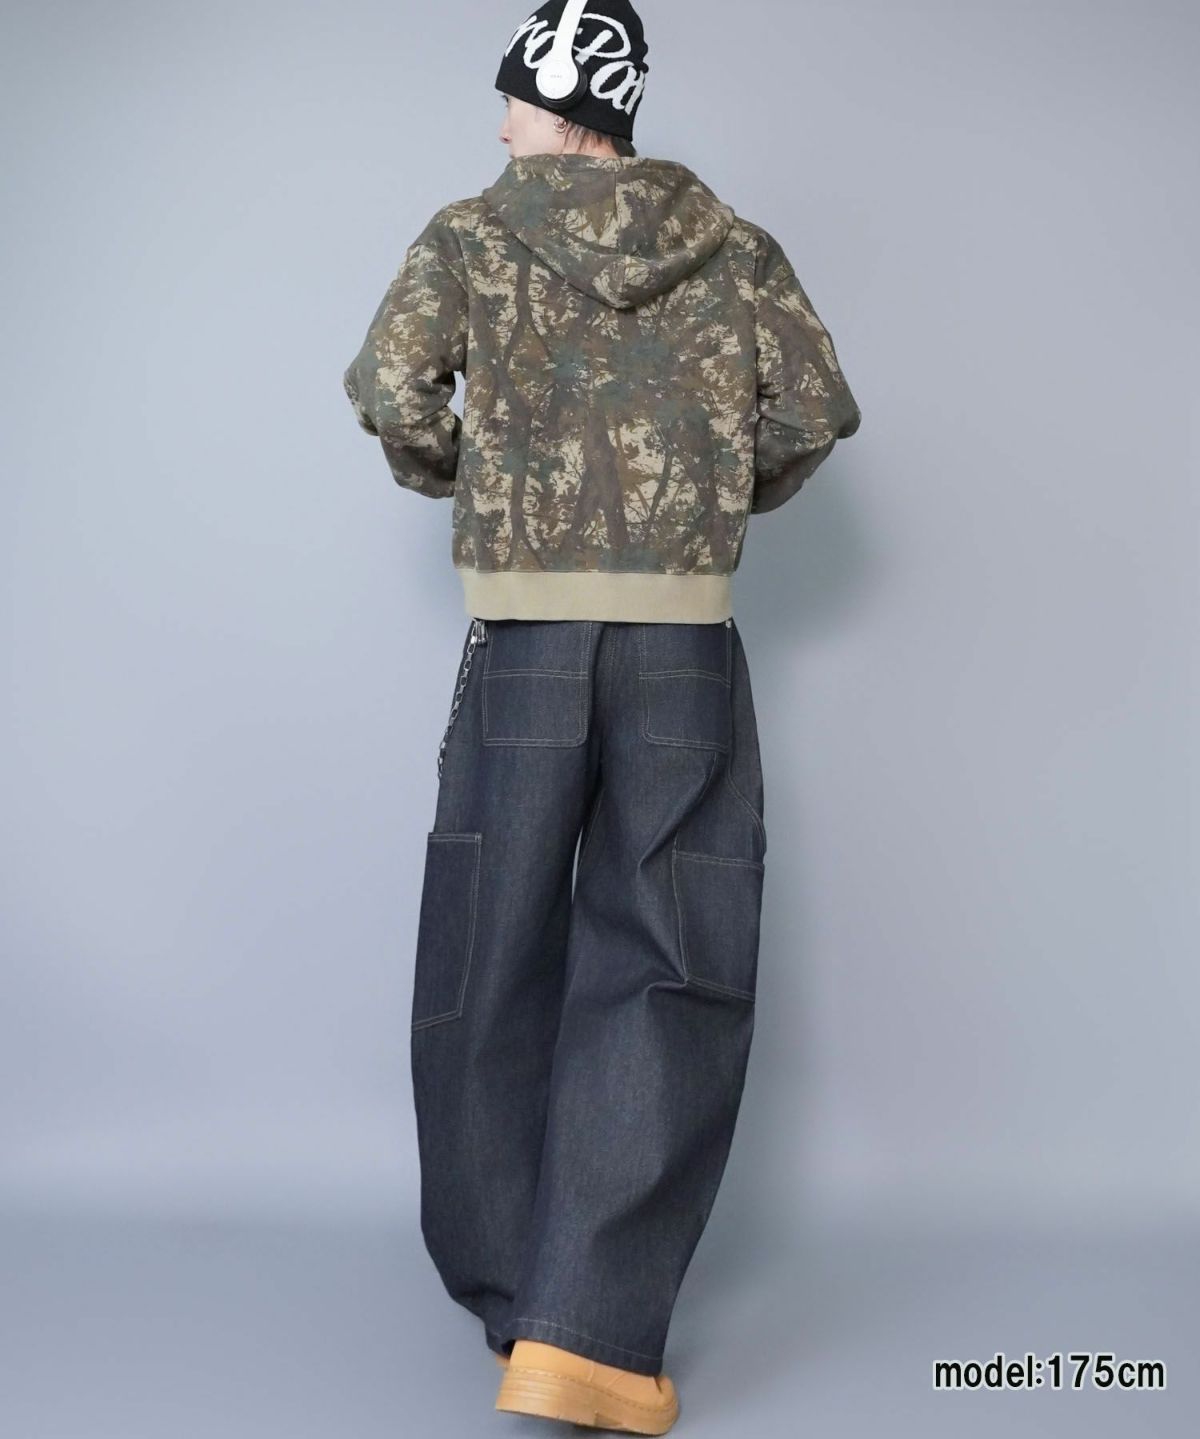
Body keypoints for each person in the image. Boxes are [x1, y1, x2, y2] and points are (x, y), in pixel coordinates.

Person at [342, 1, 861, 1430]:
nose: (498, 120)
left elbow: (392, 391)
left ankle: (522, 1307)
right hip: (683, 645)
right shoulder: (734, 244)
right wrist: (711, 500)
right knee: (672, 965)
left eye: (510, 94)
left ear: (558, 103)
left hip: (523, 640)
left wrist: (477, 481)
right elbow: (813, 410)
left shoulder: (468, 234)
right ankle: (593, 1333)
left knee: (490, 954)